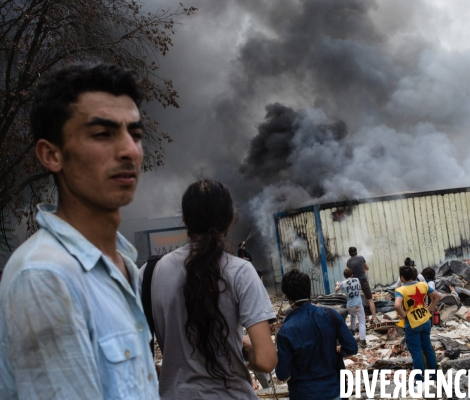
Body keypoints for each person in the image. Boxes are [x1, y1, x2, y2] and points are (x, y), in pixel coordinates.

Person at [0, 63, 159, 399]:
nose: (130, 150)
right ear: (51, 155)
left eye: (136, 134)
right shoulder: (45, 276)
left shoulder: (123, 266)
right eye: (103, 134)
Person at [144, 180, 277, 399]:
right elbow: (265, 361)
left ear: (185, 220)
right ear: (231, 220)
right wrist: (247, 347)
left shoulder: (151, 272)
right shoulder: (241, 272)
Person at [276, 269, 358, 400]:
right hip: (334, 392)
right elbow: (352, 347)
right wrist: (334, 350)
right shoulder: (331, 315)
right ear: (309, 290)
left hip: (303, 394)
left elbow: (282, 374)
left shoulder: (285, 331)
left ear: (286, 295)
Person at [395, 266, 441, 387]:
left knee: (416, 352)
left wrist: (404, 315)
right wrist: (428, 310)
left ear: (402, 277)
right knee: (428, 349)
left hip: (412, 323)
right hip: (425, 321)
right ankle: (434, 377)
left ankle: (420, 381)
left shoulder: (401, 290)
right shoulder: (423, 285)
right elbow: (437, 296)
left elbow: (397, 305)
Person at [335, 268, 367, 348]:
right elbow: (360, 288)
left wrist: (337, 284)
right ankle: (362, 341)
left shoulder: (343, 283)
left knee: (353, 316)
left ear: (344, 276)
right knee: (362, 322)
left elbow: (336, 290)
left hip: (350, 306)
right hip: (358, 305)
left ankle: (352, 333)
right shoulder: (356, 279)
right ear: (352, 274)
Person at [346, 246, 379, 323]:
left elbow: (349, 273)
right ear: (356, 252)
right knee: (370, 300)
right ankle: (374, 318)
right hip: (363, 281)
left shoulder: (348, 262)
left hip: (354, 283)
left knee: (356, 300)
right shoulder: (361, 258)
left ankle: (360, 319)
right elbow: (367, 268)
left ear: (349, 254)